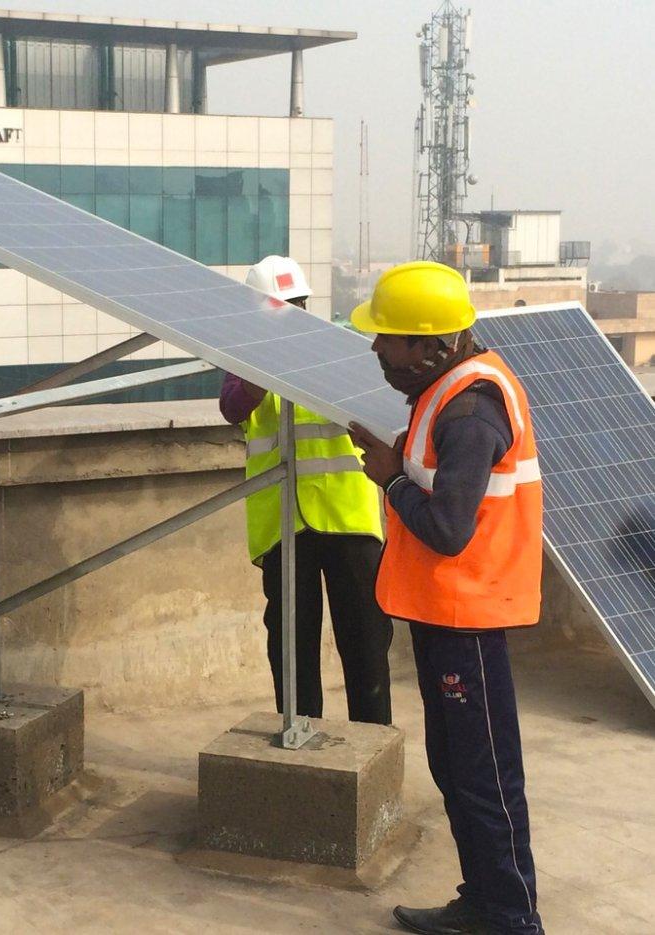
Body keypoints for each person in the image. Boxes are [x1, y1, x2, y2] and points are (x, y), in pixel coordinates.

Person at [348, 261, 544, 935]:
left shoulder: (470, 407)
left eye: (389, 339)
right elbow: (441, 481)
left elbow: (447, 527)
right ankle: (486, 900)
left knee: (483, 776)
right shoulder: (448, 387)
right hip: (447, 614)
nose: (377, 350)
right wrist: (400, 457)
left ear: (428, 344)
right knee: (458, 768)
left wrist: (387, 477)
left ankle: (512, 916)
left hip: (470, 619)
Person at [220, 255, 393, 725]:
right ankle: (300, 732)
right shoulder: (244, 361)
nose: (287, 312)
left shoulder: (339, 350)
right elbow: (234, 406)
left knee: (365, 637)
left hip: (348, 520)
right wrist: (264, 363)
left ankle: (372, 739)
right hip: (284, 525)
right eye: (276, 306)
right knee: (292, 641)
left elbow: (379, 403)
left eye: (293, 304)